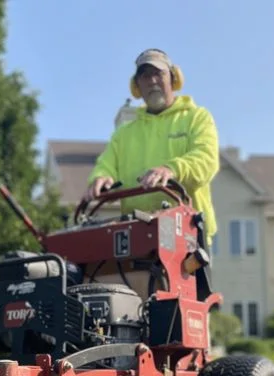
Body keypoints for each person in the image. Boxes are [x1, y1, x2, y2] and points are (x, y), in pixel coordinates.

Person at [84, 48, 220, 239]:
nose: (152, 81)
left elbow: (206, 160)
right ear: (137, 86)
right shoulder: (124, 134)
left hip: (188, 234)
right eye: (145, 76)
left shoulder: (197, 118)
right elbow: (106, 165)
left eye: (158, 73)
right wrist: (101, 177)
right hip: (136, 234)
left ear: (173, 78)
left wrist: (171, 169)